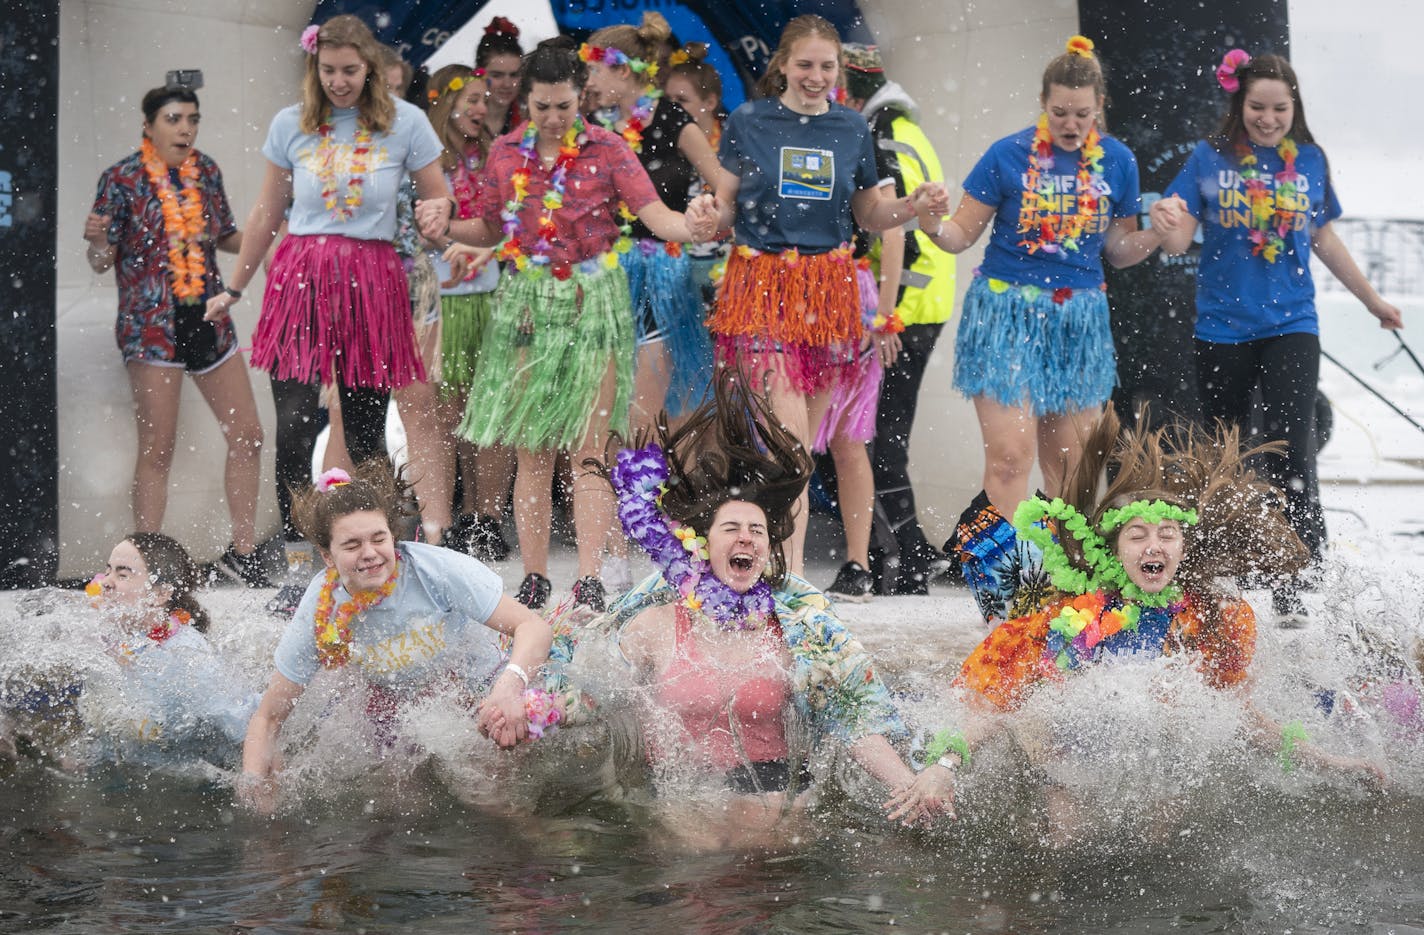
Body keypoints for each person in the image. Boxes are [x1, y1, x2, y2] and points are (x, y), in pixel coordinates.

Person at [934, 410, 1385, 840]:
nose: (1155, 544)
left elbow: (1237, 718)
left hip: (1156, 761)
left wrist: (1329, 761)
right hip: (1065, 757)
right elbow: (1012, 710)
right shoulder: (1074, 620)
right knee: (1064, 846)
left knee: (1161, 846)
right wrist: (945, 764)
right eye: (1138, 535)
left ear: (1182, 549)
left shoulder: (1203, 622)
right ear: (1116, 553)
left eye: (1167, 534)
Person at [585, 374, 954, 848]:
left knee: (755, 859)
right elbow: (588, 687)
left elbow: (852, 712)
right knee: (692, 858)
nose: (746, 538)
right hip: (676, 789)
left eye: (757, 531)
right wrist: (523, 701)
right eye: (732, 528)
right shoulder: (652, 621)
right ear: (701, 544)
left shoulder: (798, 625)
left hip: (768, 785)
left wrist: (906, 786)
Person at [419, 38, 712, 613]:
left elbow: (657, 217)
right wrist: (447, 227)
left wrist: (693, 226)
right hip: (527, 304)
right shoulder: (505, 154)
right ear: (525, 101)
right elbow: (490, 230)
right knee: (532, 449)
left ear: (581, 97)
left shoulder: (609, 149)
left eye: (563, 106)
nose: (553, 119)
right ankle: (532, 576)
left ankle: (590, 578)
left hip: (594, 300)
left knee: (589, 449)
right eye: (542, 107)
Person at [1154, 50, 1405, 627]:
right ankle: (1223, 574)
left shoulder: (1310, 160)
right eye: (1257, 107)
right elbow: (1176, 241)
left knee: (1293, 445)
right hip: (1222, 327)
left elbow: (1324, 237)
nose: (1268, 119)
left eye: (1280, 108)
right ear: (1239, 106)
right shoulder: (1207, 159)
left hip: (1292, 324)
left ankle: (1298, 578)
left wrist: (1373, 302)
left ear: (1295, 108)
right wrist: (1167, 224)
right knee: (1228, 454)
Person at [702, 15, 939, 591]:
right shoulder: (749, 121)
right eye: (804, 64)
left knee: (801, 452)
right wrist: (711, 218)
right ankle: (794, 582)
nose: (815, 76)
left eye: (826, 66)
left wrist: (910, 206)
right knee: (788, 447)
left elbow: (868, 215)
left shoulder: (852, 128)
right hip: (761, 289)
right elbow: (728, 206)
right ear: (782, 64)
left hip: (828, 298)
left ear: (840, 70)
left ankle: (781, 577)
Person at [204, 15, 454, 550]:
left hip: (373, 280)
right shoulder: (290, 123)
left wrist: (439, 213)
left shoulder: (405, 122)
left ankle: (376, 548)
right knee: (294, 419)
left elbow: (439, 192)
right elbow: (267, 211)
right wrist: (235, 287)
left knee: (365, 424)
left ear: (369, 69)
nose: (338, 81)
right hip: (302, 279)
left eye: (349, 70)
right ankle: (301, 550)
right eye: (328, 70)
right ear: (313, 68)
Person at [915, 36, 1163, 522]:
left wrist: (1156, 234)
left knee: (1072, 467)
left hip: (1079, 320)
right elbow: (959, 234)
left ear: (1099, 107)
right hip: (1005, 314)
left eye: (1081, 114)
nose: (1070, 125)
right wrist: (928, 221)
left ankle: (1059, 584)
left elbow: (1119, 249)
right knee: (1011, 457)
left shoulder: (1118, 161)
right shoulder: (1006, 155)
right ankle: (1005, 580)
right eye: (1060, 112)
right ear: (1043, 104)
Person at [238, 460, 555, 815]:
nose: (370, 553)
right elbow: (267, 717)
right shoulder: (320, 608)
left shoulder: (436, 570)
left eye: (379, 538)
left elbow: (534, 627)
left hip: (477, 691)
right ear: (328, 556)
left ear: (393, 536)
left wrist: (509, 686)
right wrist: (255, 797)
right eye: (352, 545)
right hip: (397, 706)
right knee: (396, 810)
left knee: (490, 801)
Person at [85, 83, 267, 586]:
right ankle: (144, 564)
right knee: (157, 448)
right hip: (151, 329)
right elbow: (101, 262)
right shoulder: (120, 179)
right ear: (148, 126)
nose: (185, 129)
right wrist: (98, 241)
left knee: (248, 436)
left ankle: (243, 553)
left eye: (192, 119)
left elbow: (224, 235)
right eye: (173, 119)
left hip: (207, 318)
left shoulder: (206, 170)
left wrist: (266, 232)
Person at [841, 43, 958, 596]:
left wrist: (884, 314)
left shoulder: (878, 134)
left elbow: (895, 228)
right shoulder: (905, 127)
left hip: (903, 306)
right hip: (926, 301)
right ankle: (911, 552)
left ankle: (911, 556)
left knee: (875, 434)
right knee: (882, 432)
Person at [582, 13, 720, 428]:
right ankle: (609, 488)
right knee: (603, 411)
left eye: (592, 70)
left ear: (622, 70)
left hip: (663, 274)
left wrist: (706, 213)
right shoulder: (590, 127)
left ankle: (657, 487)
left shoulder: (675, 121)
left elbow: (722, 186)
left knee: (659, 405)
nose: (586, 82)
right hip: (602, 275)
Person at [424, 64, 514, 561]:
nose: (481, 108)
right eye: (471, 99)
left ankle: (491, 517)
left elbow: (513, 222)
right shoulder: (427, 162)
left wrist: (467, 239)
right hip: (442, 301)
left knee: (493, 411)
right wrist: (445, 238)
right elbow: (413, 223)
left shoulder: (500, 156)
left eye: (485, 99)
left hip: (494, 295)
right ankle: (465, 514)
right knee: (452, 411)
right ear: (445, 103)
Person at [477, 17, 524, 137]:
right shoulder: (459, 121)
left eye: (514, 75)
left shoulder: (530, 123)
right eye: (497, 75)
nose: (507, 84)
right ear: (479, 73)